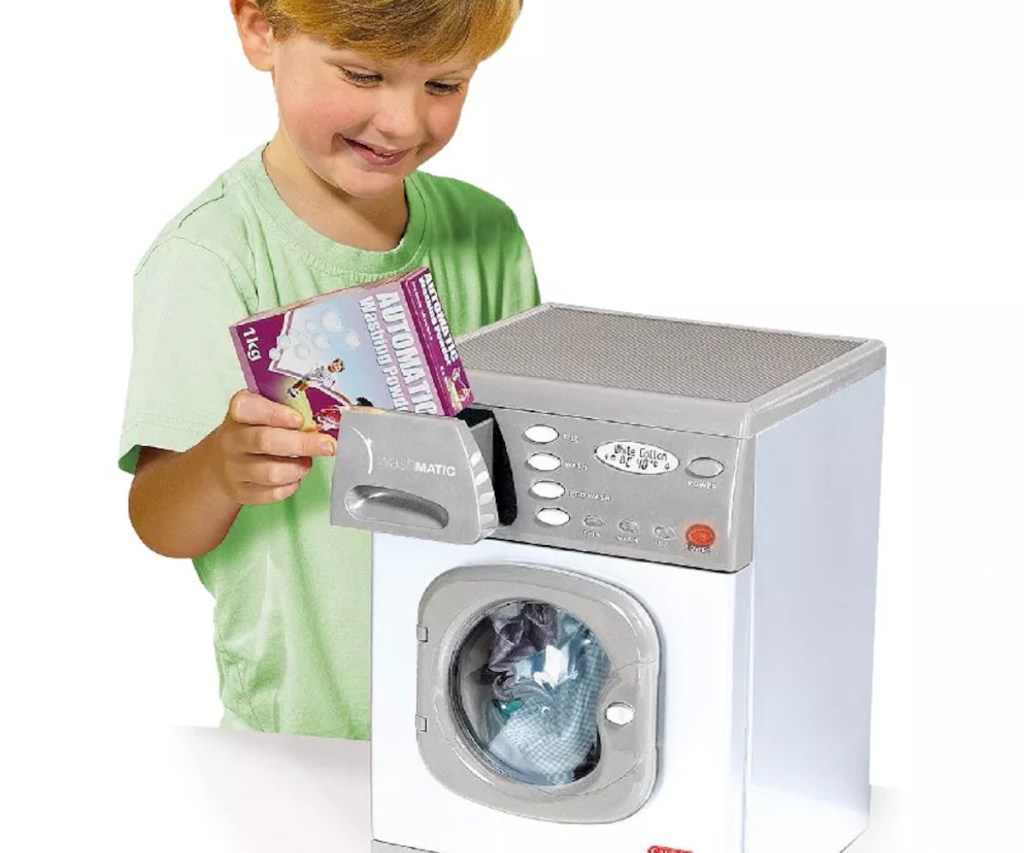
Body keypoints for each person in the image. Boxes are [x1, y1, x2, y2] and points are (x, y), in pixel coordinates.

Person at [119, 0, 539, 739]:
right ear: (259, 28)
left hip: (487, 719)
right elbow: (157, 518)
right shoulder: (210, 256)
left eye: (444, 86)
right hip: (298, 732)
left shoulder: (490, 234)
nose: (404, 122)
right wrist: (220, 467)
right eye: (364, 73)